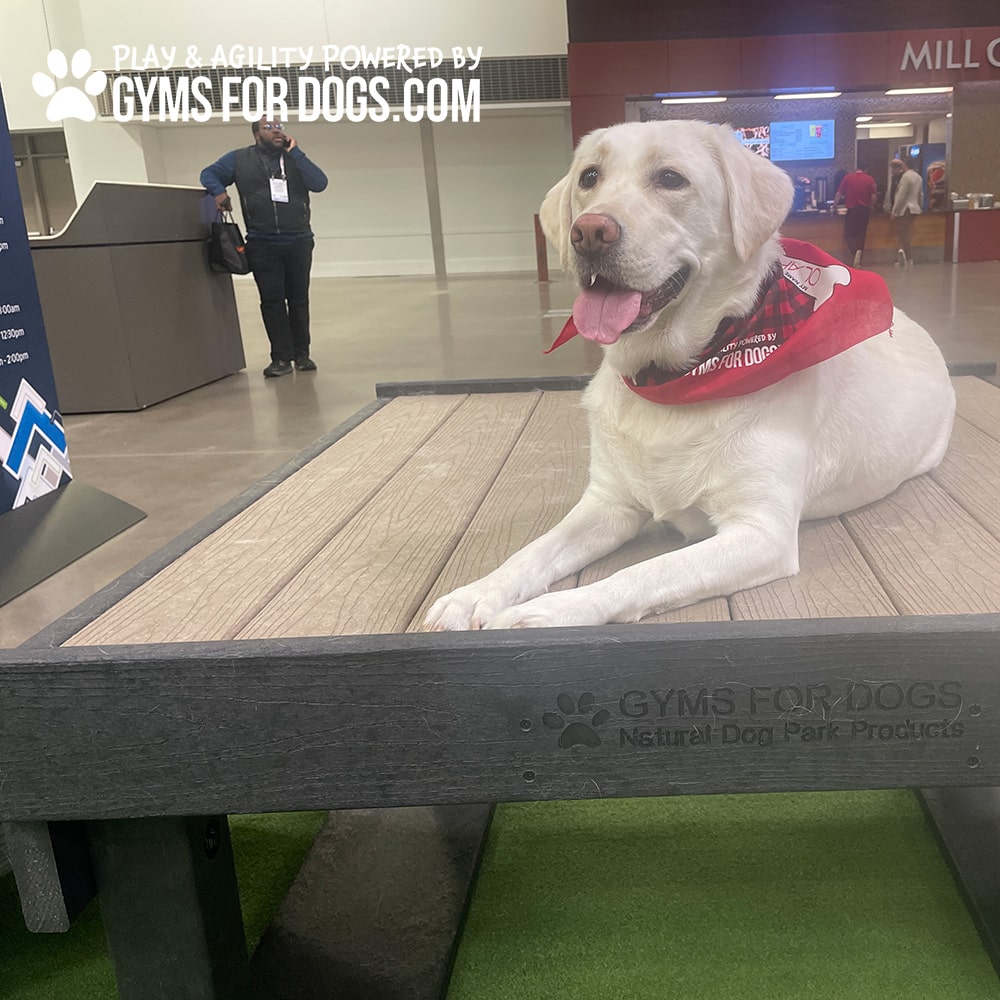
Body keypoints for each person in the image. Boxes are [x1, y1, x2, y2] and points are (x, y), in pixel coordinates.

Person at [200, 118, 328, 377]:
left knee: (299, 300)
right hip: (262, 242)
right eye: (269, 127)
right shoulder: (239, 159)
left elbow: (319, 183)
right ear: (257, 134)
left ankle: (302, 354)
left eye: (279, 126)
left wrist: (297, 153)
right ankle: (280, 358)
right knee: (271, 301)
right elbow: (208, 173)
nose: (276, 130)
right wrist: (218, 191)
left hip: (299, 240)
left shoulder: (294, 158)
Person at [833, 166, 877, 267]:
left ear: (856, 168)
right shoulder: (869, 179)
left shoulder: (848, 178)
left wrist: (834, 206)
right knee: (861, 235)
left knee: (848, 235)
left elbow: (839, 193)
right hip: (864, 211)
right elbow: (874, 196)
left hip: (852, 210)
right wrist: (871, 206)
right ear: (865, 169)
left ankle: (854, 252)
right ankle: (859, 258)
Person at [885, 158, 922, 268]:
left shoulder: (906, 177)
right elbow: (920, 194)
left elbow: (901, 195)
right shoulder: (918, 177)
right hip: (915, 208)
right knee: (905, 233)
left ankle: (908, 258)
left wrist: (894, 210)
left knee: (903, 234)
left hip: (906, 208)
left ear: (905, 165)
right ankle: (902, 255)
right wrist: (920, 206)